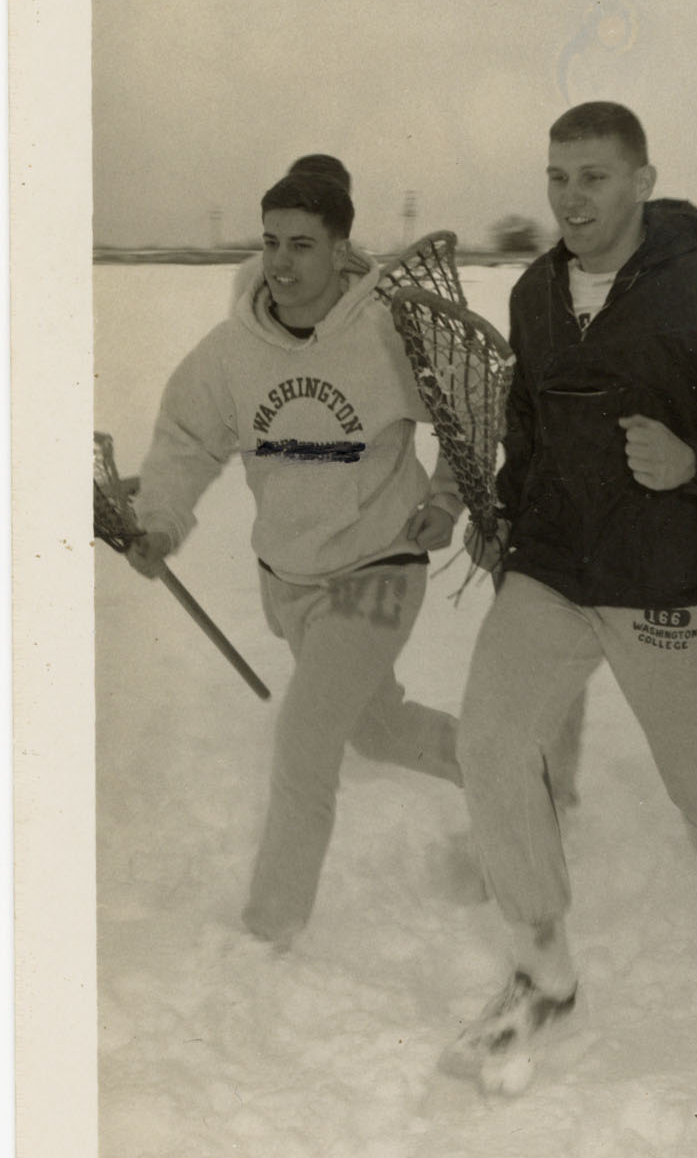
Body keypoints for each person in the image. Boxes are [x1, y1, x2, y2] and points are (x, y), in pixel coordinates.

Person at [448, 101, 697, 1086]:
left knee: (695, 771)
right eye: (557, 176)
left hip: (673, 571)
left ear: (643, 182)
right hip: (557, 566)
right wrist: (506, 511)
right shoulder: (535, 292)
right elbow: (530, 427)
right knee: (490, 740)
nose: (571, 197)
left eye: (594, 176)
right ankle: (542, 967)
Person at [126, 162, 464, 949]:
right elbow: (184, 443)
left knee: (306, 739)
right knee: (375, 729)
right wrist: (161, 524)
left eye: (302, 245)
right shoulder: (229, 352)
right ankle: (504, 765)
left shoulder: (388, 333)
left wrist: (446, 500)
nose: (280, 262)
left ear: (342, 250)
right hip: (290, 580)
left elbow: (468, 409)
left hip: (379, 568)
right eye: (271, 242)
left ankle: (269, 929)